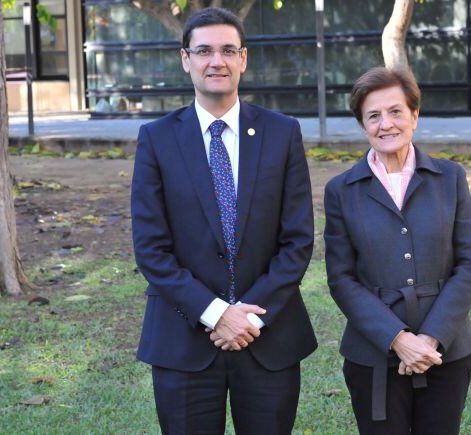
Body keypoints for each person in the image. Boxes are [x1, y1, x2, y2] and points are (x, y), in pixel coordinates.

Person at [130, 7, 317, 434]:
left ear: (243, 59)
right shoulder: (157, 139)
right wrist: (216, 314)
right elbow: (151, 249)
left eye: (228, 50)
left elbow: (297, 242)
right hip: (184, 339)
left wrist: (247, 318)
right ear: (186, 60)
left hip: (267, 337)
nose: (217, 60)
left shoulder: (282, 132)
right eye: (205, 51)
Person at [323, 67, 471, 434]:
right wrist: (398, 340)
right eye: (373, 115)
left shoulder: (450, 178)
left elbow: (469, 264)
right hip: (373, 353)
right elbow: (342, 279)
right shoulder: (341, 191)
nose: (386, 124)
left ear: (415, 115)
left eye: (396, 111)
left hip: (445, 350)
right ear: (363, 125)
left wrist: (428, 339)